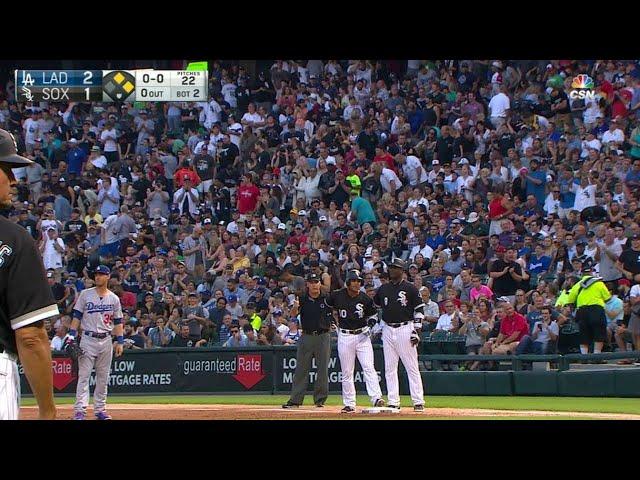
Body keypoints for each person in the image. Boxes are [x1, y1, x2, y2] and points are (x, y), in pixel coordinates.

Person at [0, 128, 57, 420]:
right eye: (6, 168)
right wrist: (47, 411)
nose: (13, 180)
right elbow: (31, 337)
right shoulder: (14, 239)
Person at [68, 265, 124, 420]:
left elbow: (118, 322)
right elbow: (77, 316)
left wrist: (120, 341)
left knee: (103, 377)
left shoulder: (113, 298)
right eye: (96, 274)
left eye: (101, 274)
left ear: (107, 277)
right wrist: (71, 335)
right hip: (87, 338)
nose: (97, 277)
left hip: (106, 339)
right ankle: (80, 410)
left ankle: (100, 409)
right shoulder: (85, 295)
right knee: (84, 376)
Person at [326, 270, 385, 413]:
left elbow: (373, 316)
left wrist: (370, 326)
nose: (357, 283)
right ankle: (349, 403)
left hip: (362, 336)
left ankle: (376, 398)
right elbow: (326, 307)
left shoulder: (365, 298)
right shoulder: (338, 295)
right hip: (345, 336)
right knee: (347, 371)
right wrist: (331, 321)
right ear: (348, 282)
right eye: (354, 281)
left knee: (369, 367)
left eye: (359, 281)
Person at [374, 258, 425, 411]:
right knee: (390, 368)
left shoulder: (410, 288)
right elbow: (376, 307)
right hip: (388, 329)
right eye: (390, 267)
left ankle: (418, 401)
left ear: (402, 270)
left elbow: (419, 310)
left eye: (395, 267)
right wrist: (378, 325)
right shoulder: (383, 289)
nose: (391, 270)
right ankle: (393, 401)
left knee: (411, 367)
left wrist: (416, 330)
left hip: (405, 328)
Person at [282, 273, 334, 409]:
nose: (314, 285)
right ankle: (295, 400)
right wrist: (295, 306)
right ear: (308, 284)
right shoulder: (303, 298)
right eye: (312, 282)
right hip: (306, 335)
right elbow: (292, 315)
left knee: (322, 369)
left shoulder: (326, 298)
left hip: (323, 335)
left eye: (316, 282)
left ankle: (320, 400)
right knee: (301, 369)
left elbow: (336, 311)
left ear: (319, 284)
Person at [565, 272, 611, 356]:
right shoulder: (599, 283)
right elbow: (607, 298)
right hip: (596, 309)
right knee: (599, 333)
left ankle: (584, 357)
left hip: (582, 310)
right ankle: (597, 357)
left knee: (583, 334)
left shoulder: (578, 285)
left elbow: (570, 300)